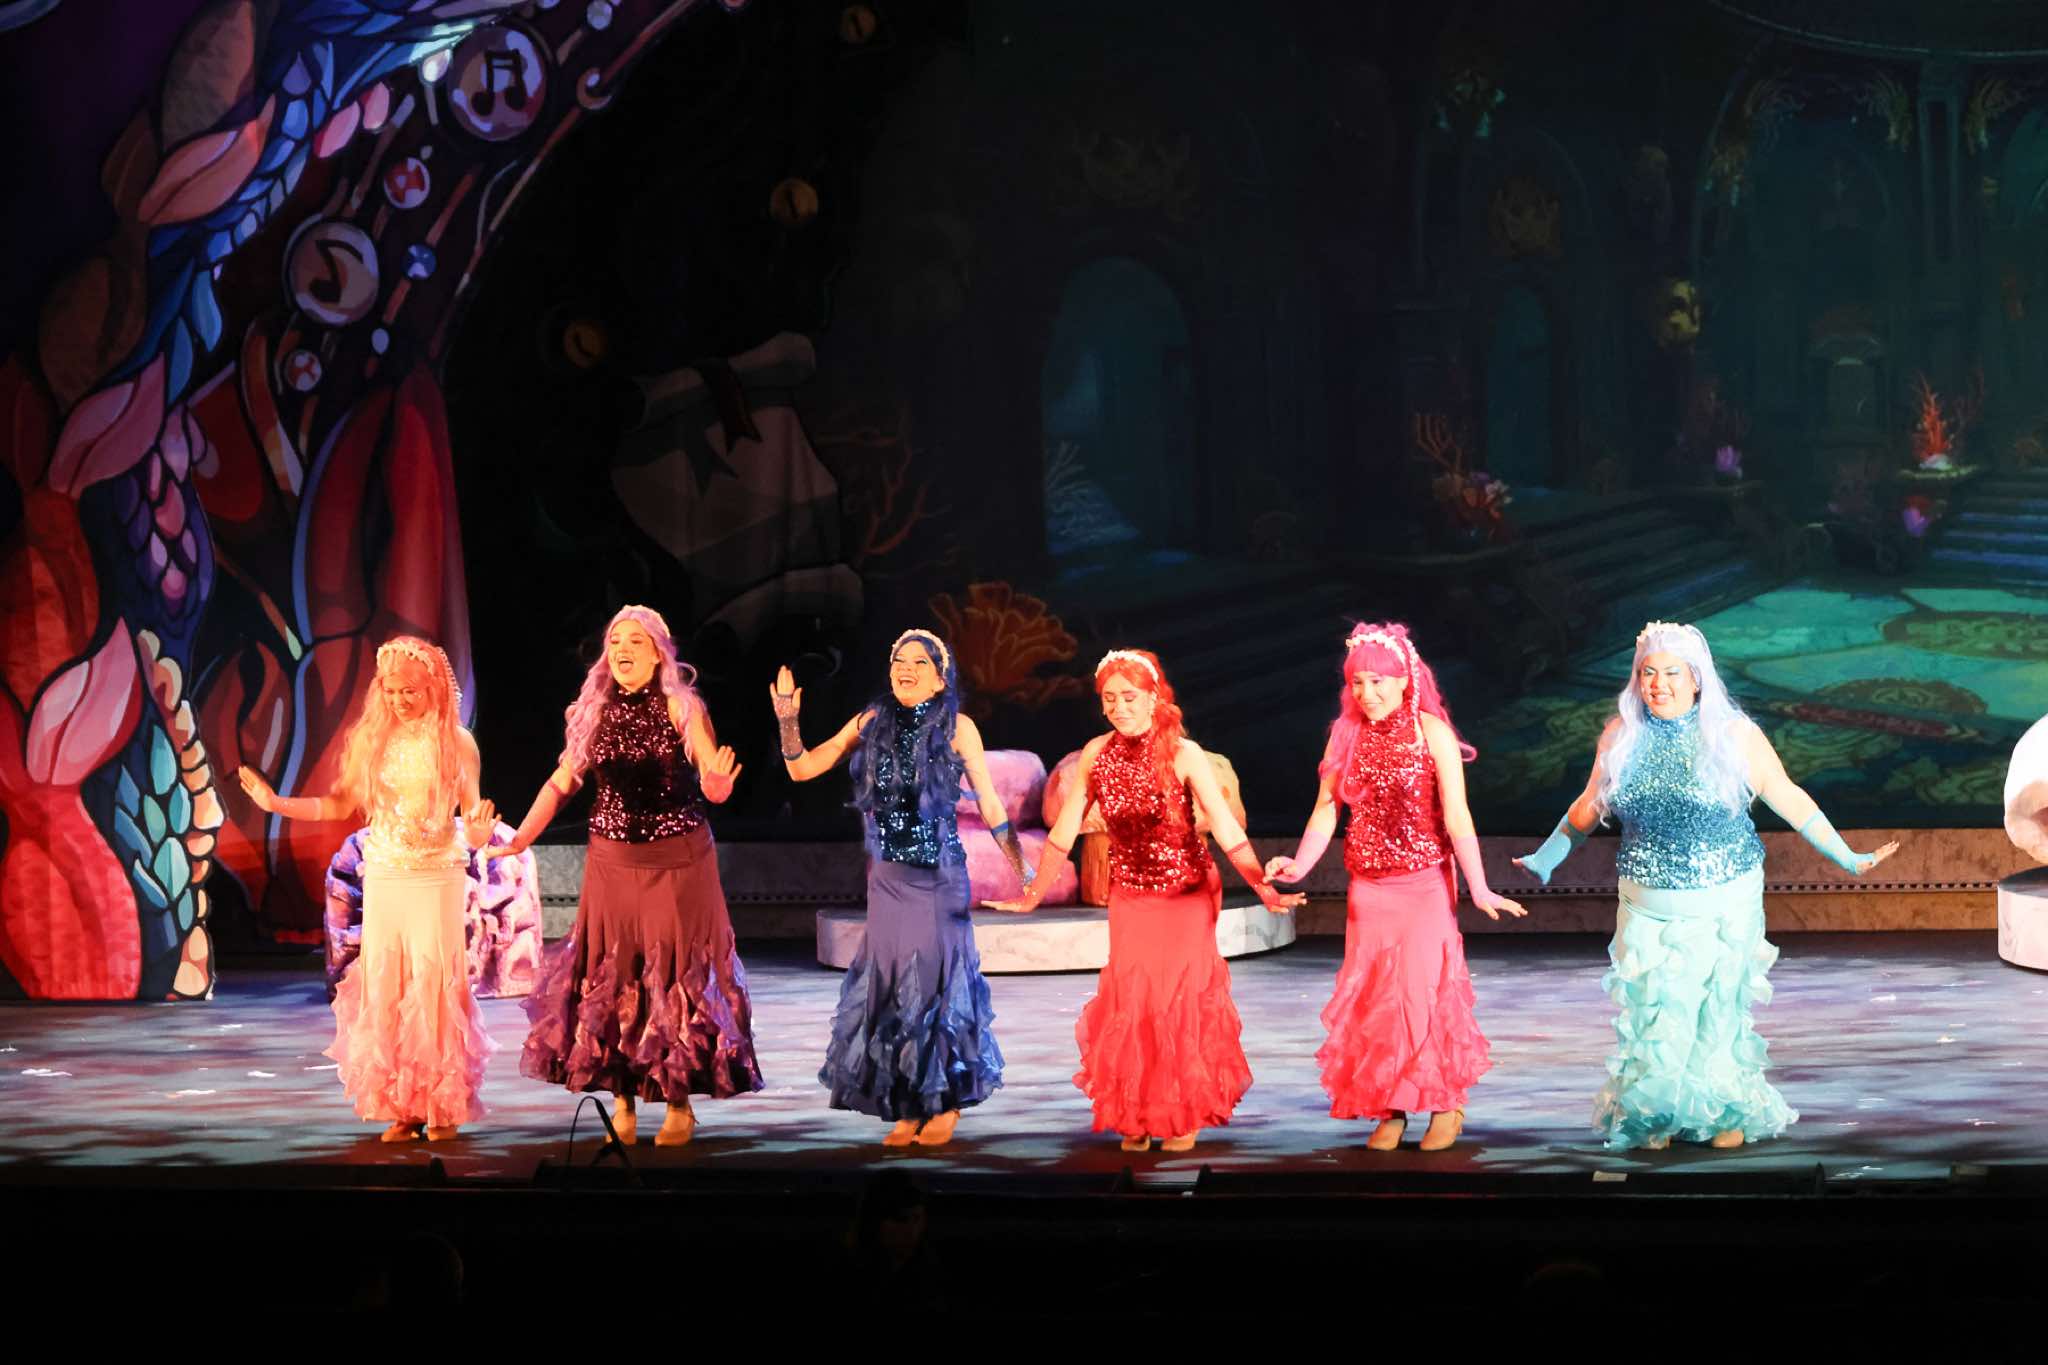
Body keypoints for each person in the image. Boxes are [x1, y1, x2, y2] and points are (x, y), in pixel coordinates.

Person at [1514, 620, 1898, 1150]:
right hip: (1647, 901)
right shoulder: (1622, 736)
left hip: (1724, 899)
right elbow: (1588, 805)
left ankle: (1721, 1111)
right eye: (1648, 673)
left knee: (1715, 1011)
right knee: (1657, 1011)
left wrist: (1847, 858)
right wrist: (1547, 857)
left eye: (1672, 673)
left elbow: (1787, 794)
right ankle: (1655, 1113)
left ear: (1696, 679)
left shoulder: (1733, 735)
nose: (1658, 684)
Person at [988, 648, 1304, 1153]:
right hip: (1131, 894)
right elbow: (1065, 830)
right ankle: (1136, 1107)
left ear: (1154, 697)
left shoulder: (1184, 753)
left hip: (1185, 894)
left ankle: (1181, 1108)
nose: (1119, 707)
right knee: (1135, 1000)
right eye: (1110, 698)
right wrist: (1032, 895)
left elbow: (1225, 827)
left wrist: (1262, 886)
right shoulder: (1096, 754)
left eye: (1130, 697)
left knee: (1177, 998)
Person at [490, 605, 760, 1146]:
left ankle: (678, 1101)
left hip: (677, 861)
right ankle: (622, 1098)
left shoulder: (681, 706)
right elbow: (561, 783)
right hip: (612, 861)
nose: (623, 650)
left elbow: (709, 768)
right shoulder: (592, 711)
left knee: (670, 975)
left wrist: (717, 786)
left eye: (636, 641)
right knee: (614, 976)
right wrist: (519, 839)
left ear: (659, 653)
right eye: (615, 642)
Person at [1266, 623, 1524, 1152]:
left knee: (1422, 996)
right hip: (1369, 890)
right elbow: (1325, 810)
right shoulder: (1346, 735)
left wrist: (1479, 888)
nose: (1368, 693)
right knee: (1377, 1002)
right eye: (1358, 682)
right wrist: (1299, 864)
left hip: (1424, 886)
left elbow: (1457, 815)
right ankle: (1392, 1105)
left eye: (1378, 681)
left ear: (1405, 680)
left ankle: (1445, 1102)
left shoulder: (1431, 733)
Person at [774, 629, 1026, 1146]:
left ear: (940, 678)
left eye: (919, 662)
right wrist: (788, 721)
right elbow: (803, 769)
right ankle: (909, 1102)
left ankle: (944, 1101)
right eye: (898, 660)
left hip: (937, 880)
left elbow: (989, 803)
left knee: (932, 986)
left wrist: (1023, 869)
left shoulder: (958, 727)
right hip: (888, 880)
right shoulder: (871, 720)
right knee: (892, 989)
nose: (905, 669)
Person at [237, 635, 494, 1141]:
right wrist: (275, 804)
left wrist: (480, 835)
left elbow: (471, 814)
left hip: (435, 875)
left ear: (433, 688)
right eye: (391, 691)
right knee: (389, 985)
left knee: (432, 983)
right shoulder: (374, 740)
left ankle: (442, 1105)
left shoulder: (457, 742)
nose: (399, 701)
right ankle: (405, 1106)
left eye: (409, 691)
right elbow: (337, 805)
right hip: (386, 874)